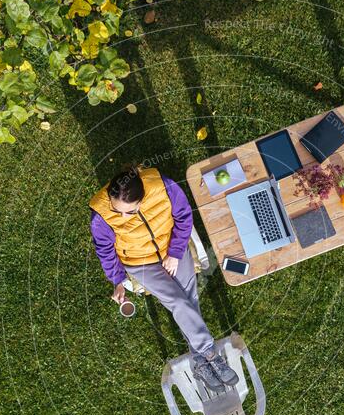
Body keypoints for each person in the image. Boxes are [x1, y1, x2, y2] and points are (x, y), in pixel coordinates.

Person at [89, 164, 239, 393]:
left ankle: (199, 363)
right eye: (117, 210)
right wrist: (117, 280)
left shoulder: (163, 186)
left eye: (129, 212)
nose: (122, 216)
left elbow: (184, 216)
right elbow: (105, 250)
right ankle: (209, 353)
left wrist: (175, 253)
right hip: (140, 263)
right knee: (179, 302)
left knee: (189, 298)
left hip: (171, 249)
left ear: (142, 199)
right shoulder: (101, 215)